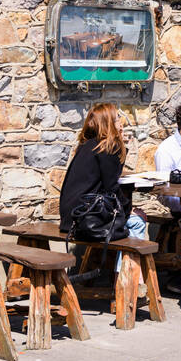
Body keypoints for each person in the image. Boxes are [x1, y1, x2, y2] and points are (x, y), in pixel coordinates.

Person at [58, 103, 148, 262]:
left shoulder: (88, 145)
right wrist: (128, 211)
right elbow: (111, 186)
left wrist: (121, 145)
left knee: (127, 221)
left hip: (72, 217)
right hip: (87, 220)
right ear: (109, 123)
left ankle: (122, 274)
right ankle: (126, 277)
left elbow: (107, 179)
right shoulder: (108, 147)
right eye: (117, 118)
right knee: (138, 221)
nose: (121, 121)